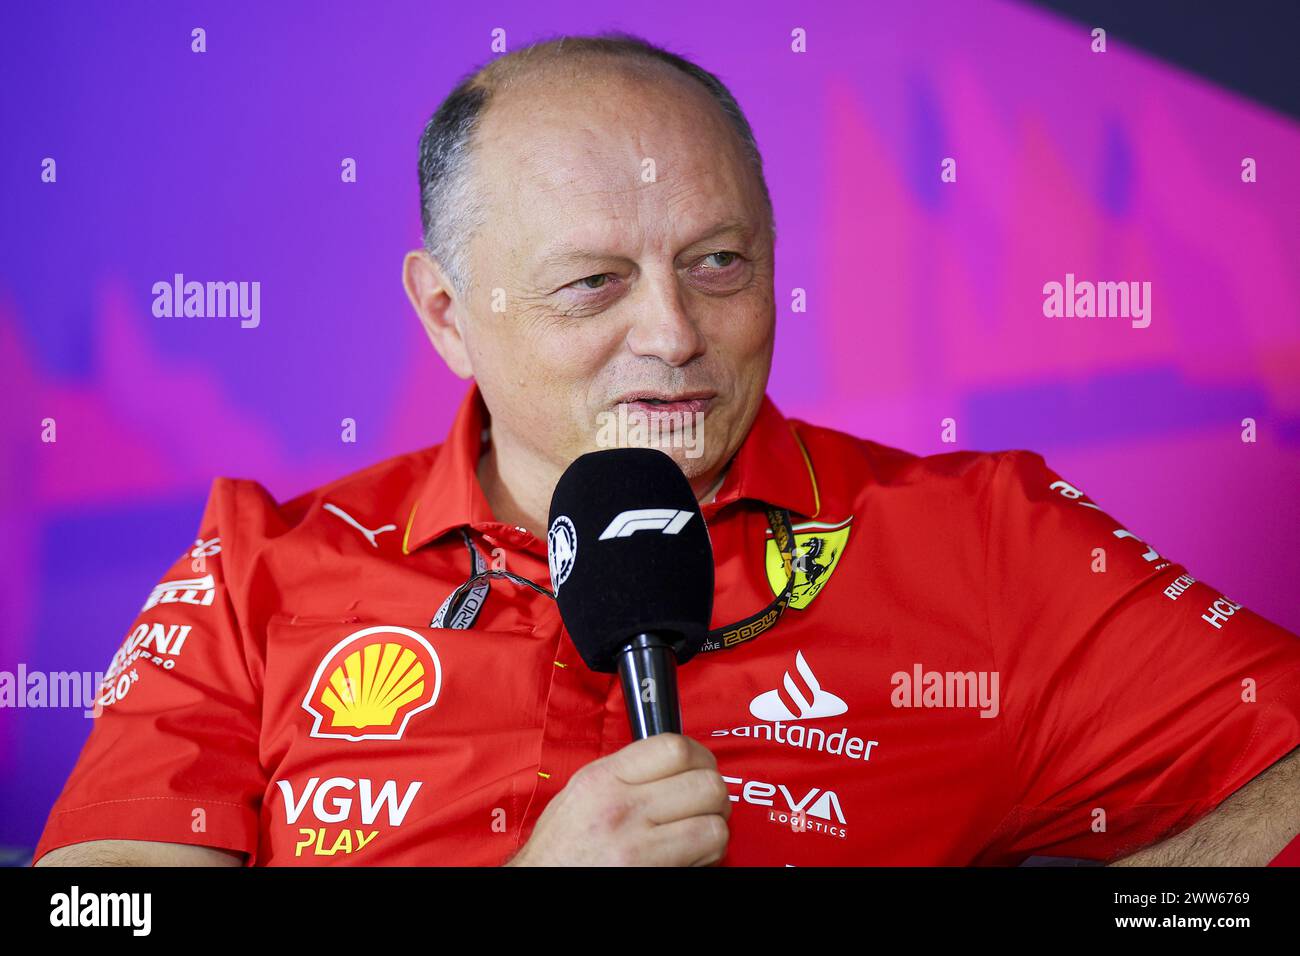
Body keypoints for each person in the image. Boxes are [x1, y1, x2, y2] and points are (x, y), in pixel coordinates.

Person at [35, 33, 1300, 867]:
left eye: (718, 263)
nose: (674, 333)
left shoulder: (981, 533)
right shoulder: (264, 563)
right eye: (593, 283)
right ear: (444, 313)